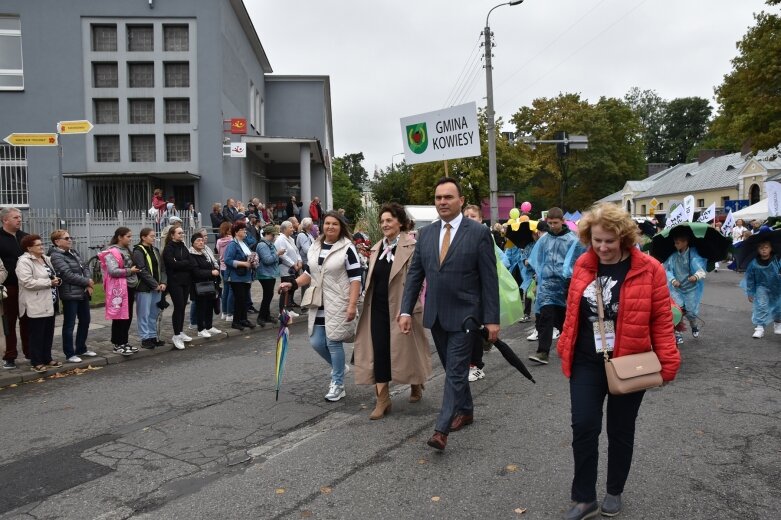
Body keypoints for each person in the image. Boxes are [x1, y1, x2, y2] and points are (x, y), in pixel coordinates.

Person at [556, 203, 681, 519]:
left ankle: (614, 490)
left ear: (624, 238)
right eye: (596, 240)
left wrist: (668, 363)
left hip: (630, 361)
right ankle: (584, 498)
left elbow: (661, 320)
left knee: (620, 429)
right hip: (586, 359)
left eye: (609, 241)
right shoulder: (584, 264)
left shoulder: (650, 269)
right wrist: (563, 345)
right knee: (584, 425)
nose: (602, 247)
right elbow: (574, 311)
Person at [398, 177, 500, 451]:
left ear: (461, 200)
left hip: (467, 317)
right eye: (438, 197)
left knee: (455, 372)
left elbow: (489, 280)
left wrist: (492, 319)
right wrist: (405, 310)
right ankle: (465, 410)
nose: (442, 202)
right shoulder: (427, 234)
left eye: (448, 197)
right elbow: (416, 275)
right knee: (451, 368)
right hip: (437, 316)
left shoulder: (478, 233)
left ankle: (441, 429)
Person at [354, 203, 432, 419]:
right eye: (382, 221)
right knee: (378, 351)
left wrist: (413, 305)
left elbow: (420, 278)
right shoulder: (376, 248)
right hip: (377, 308)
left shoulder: (412, 246)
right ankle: (383, 399)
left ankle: (416, 381)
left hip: (402, 307)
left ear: (400, 222)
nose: (385, 224)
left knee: (408, 351)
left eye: (389, 220)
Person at [279, 211, 362, 402]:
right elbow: (310, 272)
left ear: (341, 227)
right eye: (327, 224)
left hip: (339, 301)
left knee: (333, 341)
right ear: (322, 226)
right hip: (319, 301)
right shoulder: (316, 246)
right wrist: (292, 284)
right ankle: (339, 367)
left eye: (335, 224)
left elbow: (356, 278)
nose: (330, 227)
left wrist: (352, 305)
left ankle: (338, 384)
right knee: (316, 341)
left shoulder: (347, 248)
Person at [527, 207, 579, 365]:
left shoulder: (572, 239)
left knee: (564, 319)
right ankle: (543, 351)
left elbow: (577, 260)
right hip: (547, 285)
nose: (553, 226)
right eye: (550, 223)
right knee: (545, 316)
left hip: (565, 284)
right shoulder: (544, 239)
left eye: (555, 223)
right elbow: (537, 258)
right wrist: (537, 277)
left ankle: (571, 348)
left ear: (563, 221)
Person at [16, 234, 62, 373]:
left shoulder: (45, 259)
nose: (42, 247)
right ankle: (36, 361)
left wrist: (56, 280)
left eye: (42, 244)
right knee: (37, 334)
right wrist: (49, 282)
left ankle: (47, 358)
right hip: (35, 302)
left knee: (48, 332)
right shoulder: (24, 262)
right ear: (29, 248)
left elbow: (51, 275)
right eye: (38, 245)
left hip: (50, 300)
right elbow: (27, 282)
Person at [49, 229, 96, 363]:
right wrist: (86, 281)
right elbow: (66, 274)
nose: (70, 240)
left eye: (70, 237)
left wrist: (88, 283)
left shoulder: (73, 252)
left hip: (83, 292)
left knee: (85, 321)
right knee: (69, 324)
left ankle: (81, 348)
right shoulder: (56, 256)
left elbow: (85, 267)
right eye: (66, 238)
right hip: (69, 294)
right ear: (57, 242)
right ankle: (69, 353)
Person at [101, 227, 141, 356]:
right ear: (120, 237)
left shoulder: (127, 250)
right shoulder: (111, 251)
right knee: (119, 316)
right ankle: (117, 343)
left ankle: (124, 342)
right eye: (128, 236)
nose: (130, 239)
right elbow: (113, 271)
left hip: (129, 286)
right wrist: (130, 271)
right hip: (119, 289)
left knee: (127, 315)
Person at [663, 226, 707, 344]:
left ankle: (694, 324)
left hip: (691, 289)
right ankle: (678, 333)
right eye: (675, 242)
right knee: (678, 311)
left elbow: (701, 271)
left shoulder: (693, 256)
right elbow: (667, 270)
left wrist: (695, 277)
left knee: (691, 312)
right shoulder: (673, 256)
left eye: (677, 243)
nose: (675, 245)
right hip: (676, 289)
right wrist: (673, 280)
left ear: (685, 242)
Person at [0, 207, 29, 370]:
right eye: (15, 217)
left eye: (20, 217)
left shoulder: (25, 237)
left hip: (27, 287)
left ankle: (30, 352)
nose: (19, 219)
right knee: (9, 323)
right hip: (8, 287)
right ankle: (9, 356)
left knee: (28, 320)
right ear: (5, 220)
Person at [132, 228, 167, 349]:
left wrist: (163, 282)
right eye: (151, 236)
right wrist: (154, 284)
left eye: (154, 236)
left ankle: (153, 337)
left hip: (157, 287)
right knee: (144, 314)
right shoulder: (138, 251)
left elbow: (162, 268)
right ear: (143, 237)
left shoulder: (155, 250)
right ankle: (145, 338)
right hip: (144, 288)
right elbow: (142, 270)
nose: (154, 238)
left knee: (154, 313)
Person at [741, 237, 781, 338]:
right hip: (761, 287)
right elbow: (750, 278)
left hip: (777, 287)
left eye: (766, 247)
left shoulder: (777, 260)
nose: (764, 249)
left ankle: (778, 324)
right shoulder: (754, 263)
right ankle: (759, 328)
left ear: (771, 249)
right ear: (757, 250)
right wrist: (750, 292)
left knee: (778, 306)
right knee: (761, 305)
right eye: (761, 248)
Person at [163, 226, 195, 350]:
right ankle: (176, 335)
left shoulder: (183, 246)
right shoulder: (169, 248)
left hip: (186, 281)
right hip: (175, 282)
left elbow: (191, 263)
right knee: (178, 306)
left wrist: (180, 263)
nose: (182, 235)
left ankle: (180, 331)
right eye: (179, 233)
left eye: (183, 232)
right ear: (172, 235)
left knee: (182, 307)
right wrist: (182, 263)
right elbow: (172, 264)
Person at [223, 222, 257, 331]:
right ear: (236, 232)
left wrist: (252, 261)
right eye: (242, 230)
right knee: (239, 299)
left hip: (246, 276)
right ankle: (236, 321)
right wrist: (243, 264)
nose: (245, 231)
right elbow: (227, 260)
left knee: (244, 299)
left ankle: (244, 319)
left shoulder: (243, 243)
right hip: (236, 277)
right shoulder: (233, 244)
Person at [189, 234, 222, 338]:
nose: (201, 242)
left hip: (209, 284)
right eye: (198, 241)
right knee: (201, 307)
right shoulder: (191, 255)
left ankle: (209, 326)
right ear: (193, 243)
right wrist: (211, 272)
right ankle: (200, 329)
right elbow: (196, 272)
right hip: (198, 285)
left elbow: (210, 265)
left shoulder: (204, 253)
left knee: (209, 306)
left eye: (202, 241)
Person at [255, 225, 283, 327]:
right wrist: (277, 254)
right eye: (273, 235)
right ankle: (261, 317)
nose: (274, 237)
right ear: (267, 234)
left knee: (269, 295)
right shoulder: (262, 245)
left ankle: (266, 315)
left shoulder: (269, 244)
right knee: (267, 295)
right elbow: (267, 260)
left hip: (270, 274)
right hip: (265, 274)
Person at [275, 220, 303, 312]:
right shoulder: (280, 239)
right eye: (290, 227)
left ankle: (289, 310)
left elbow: (296, 251)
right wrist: (293, 264)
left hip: (294, 268)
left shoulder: (291, 239)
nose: (293, 229)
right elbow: (282, 255)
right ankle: (283, 311)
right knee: (286, 290)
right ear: (284, 229)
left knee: (291, 289)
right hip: (286, 269)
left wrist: (299, 261)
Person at [216, 221, 235, 322]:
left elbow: (218, 252)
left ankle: (224, 312)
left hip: (222, 267)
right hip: (230, 267)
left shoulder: (219, 241)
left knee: (226, 290)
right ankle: (230, 313)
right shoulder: (232, 241)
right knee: (231, 290)